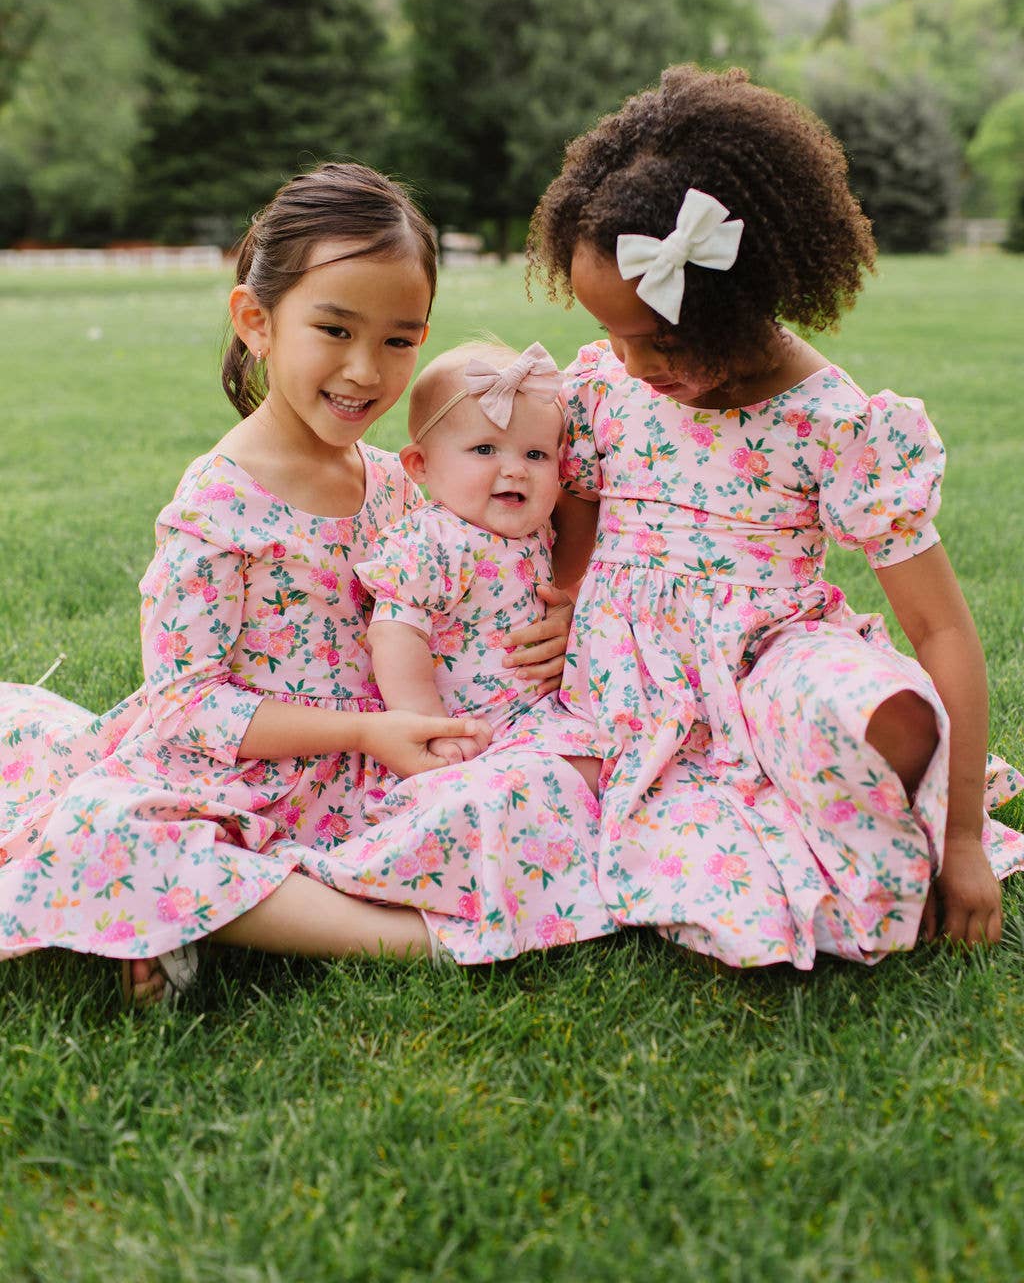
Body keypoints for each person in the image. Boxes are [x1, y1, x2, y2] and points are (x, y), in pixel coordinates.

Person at [0, 163, 608, 1005]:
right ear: (257, 321)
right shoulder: (216, 507)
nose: (366, 370)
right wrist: (364, 732)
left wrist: (562, 604)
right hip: (251, 771)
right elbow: (185, 704)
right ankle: (408, 937)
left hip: (385, 768)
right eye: (334, 329)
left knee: (555, 781)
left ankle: (211, 909)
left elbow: (551, 505)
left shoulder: (400, 479)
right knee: (106, 831)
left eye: (399, 340)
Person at [515, 63, 1024, 967]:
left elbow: (940, 626)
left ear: (743, 302)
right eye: (615, 336)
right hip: (630, 682)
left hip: (765, 661)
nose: (633, 365)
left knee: (881, 709)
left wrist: (963, 842)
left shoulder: (834, 423)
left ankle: (923, 790)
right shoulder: (606, 387)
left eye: (662, 342)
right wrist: (568, 594)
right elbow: (581, 507)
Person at [356, 339, 603, 786]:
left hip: (536, 714)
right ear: (420, 464)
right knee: (555, 780)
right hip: (469, 728)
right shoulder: (432, 541)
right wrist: (430, 728)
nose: (516, 470)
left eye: (535, 454)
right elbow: (396, 634)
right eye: (485, 449)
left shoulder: (536, 531)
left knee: (607, 766)